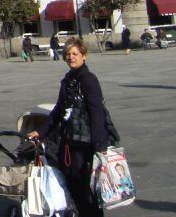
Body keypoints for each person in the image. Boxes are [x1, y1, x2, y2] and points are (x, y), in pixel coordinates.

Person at [27, 38, 111, 217]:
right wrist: (40, 131)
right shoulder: (67, 80)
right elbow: (58, 110)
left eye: (75, 54)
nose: (71, 57)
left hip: (86, 143)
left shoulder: (88, 79)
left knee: (88, 190)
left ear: (84, 55)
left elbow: (96, 112)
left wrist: (100, 145)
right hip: (69, 142)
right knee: (74, 186)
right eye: (68, 54)